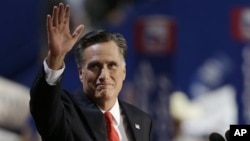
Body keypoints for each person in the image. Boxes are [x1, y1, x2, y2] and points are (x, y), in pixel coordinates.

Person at [29, 3, 152, 141]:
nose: (104, 75)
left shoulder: (141, 121)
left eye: (112, 65)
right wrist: (56, 58)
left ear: (123, 72)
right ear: (81, 73)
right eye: (95, 66)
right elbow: (43, 108)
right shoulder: (67, 115)